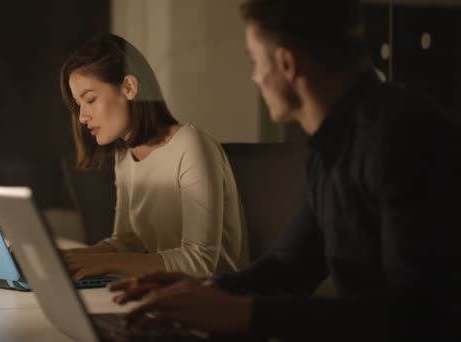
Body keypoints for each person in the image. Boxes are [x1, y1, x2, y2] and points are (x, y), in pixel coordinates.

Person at [109, 0, 461, 340]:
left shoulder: (402, 136)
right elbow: (289, 266)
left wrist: (243, 315)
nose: (256, 78)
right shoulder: (331, 145)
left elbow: (417, 313)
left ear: (287, 63)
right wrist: (204, 290)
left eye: (255, 62)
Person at [59, 34, 248, 280]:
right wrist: (69, 257)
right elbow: (127, 242)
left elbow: (201, 261)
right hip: (162, 292)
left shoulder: (190, 145)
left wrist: (107, 261)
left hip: (213, 299)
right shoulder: (125, 156)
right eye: (78, 104)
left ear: (129, 87)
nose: (82, 117)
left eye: (90, 100)